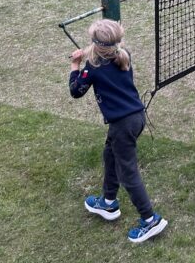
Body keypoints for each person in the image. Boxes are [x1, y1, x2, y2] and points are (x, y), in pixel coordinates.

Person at [69, 19, 167, 244]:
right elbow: (101, 56)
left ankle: (150, 219)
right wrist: (88, 56)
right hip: (135, 118)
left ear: (96, 44)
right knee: (109, 154)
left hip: (123, 124)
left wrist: (76, 65)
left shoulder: (92, 68)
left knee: (128, 172)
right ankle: (108, 202)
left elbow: (76, 91)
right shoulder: (124, 54)